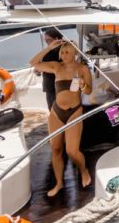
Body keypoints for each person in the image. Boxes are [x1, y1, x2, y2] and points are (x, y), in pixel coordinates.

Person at [29, 40, 93, 196]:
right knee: (56, 149)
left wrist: (83, 85)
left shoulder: (82, 69)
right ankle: (59, 183)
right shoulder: (57, 67)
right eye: (62, 53)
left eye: (68, 52)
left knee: (72, 151)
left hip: (74, 111)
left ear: (74, 53)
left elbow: (89, 91)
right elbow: (33, 63)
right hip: (56, 112)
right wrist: (49, 48)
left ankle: (83, 170)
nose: (64, 56)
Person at [39, 29, 63, 111]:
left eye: (49, 40)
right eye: (45, 40)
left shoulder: (59, 51)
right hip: (52, 85)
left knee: (54, 110)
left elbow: (59, 67)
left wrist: (41, 69)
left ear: (56, 39)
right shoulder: (51, 50)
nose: (47, 43)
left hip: (54, 86)